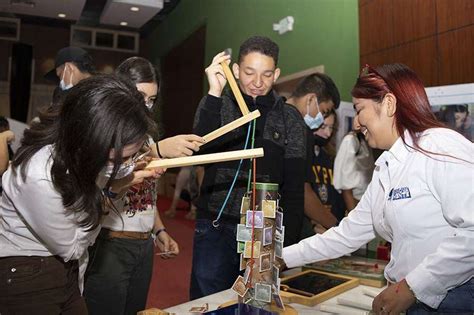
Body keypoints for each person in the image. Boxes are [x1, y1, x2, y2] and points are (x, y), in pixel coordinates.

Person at [282, 63, 474, 314]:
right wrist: (283, 257)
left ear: (390, 104)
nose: (357, 124)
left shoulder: (439, 146)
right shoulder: (386, 167)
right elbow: (348, 234)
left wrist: (411, 287)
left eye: (360, 110)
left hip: (452, 300)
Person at [0, 74, 160, 314]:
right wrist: (114, 188)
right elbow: (73, 246)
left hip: (66, 266)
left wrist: (116, 179)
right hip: (28, 269)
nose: (126, 165)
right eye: (121, 158)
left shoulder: (80, 151)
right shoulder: (39, 175)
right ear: (91, 140)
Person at [191, 36, 307, 299]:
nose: (257, 82)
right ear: (235, 70)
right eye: (249, 72)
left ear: (276, 74)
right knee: (208, 301)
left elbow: (295, 188)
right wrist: (214, 93)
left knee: (257, 304)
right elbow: (199, 150)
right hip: (215, 225)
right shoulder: (217, 103)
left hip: (264, 232)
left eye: (266, 75)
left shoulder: (289, 118)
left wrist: (288, 246)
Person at [84, 56, 202, 315]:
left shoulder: (145, 136)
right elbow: (106, 181)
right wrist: (158, 150)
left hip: (143, 244)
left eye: (152, 100)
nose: (146, 107)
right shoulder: (105, 130)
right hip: (110, 243)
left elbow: (145, 193)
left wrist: (158, 231)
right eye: (140, 98)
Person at [286, 73, 342, 231]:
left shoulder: (274, 114)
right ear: (310, 99)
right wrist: (336, 227)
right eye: (324, 112)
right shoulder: (301, 130)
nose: (322, 119)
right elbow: (302, 192)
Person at [301, 110, 346, 238]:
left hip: (329, 227)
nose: (328, 133)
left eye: (331, 128)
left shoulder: (329, 157)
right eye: (323, 127)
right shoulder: (303, 155)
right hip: (310, 228)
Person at [333, 119, 374, 212]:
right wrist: (352, 213)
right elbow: (345, 187)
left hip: (365, 203)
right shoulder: (350, 140)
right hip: (356, 204)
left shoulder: (365, 141)